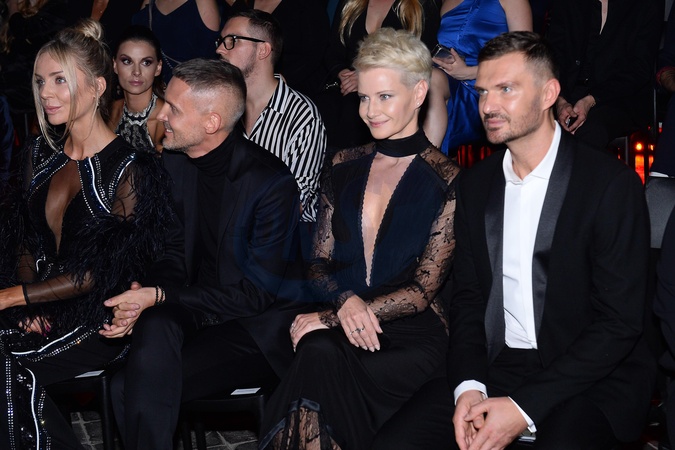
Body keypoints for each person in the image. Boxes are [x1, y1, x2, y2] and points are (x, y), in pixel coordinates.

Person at [448, 31, 655, 450]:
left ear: (549, 94)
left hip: (591, 377)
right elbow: (468, 299)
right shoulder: (475, 185)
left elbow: (620, 322)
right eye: (483, 91)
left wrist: (523, 406)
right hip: (498, 365)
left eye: (506, 89)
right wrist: (469, 387)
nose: (487, 105)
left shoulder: (609, 185)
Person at [259, 28, 460, 449]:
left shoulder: (447, 180)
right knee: (316, 350)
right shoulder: (343, 165)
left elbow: (422, 291)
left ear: (419, 92)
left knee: (317, 351)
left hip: (412, 338)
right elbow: (318, 263)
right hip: (346, 321)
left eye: (384, 96)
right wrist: (344, 304)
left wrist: (335, 317)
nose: (370, 111)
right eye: (365, 98)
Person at [101, 58, 306, 450]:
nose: (161, 114)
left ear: (211, 123)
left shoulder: (270, 184)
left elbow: (255, 296)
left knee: (127, 386)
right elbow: (173, 253)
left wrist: (160, 296)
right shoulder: (176, 163)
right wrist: (143, 296)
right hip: (198, 306)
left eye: (174, 108)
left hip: (255, 327)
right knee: (153, 328)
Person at [0, 19, 170, 449]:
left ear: (97, 88)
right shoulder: (38, 155)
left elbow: (101, 273)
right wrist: (26, 304)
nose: (46, 93)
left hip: (96, 319)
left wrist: (15, 297)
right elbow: (24, 238)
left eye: (60, 80)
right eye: (40, 81)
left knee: (6, 366)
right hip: (34, 306)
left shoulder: (131, 169)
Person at [216, 9, 326, 256]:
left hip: (283, 249)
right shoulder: (221, 108)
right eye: (221, 41)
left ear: (263, 50)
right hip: (227, 239)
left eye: (232, 40)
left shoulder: (301, 115)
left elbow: (293, 205)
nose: (220, 49)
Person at [322, 0, 441, 149]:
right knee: (325, 108)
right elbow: (332, 52)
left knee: (352, 111)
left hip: (396, 89)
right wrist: (342, 73)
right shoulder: (350, 2)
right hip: (344, 87)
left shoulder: (421, 5)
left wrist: (365, 78)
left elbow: (422, 60)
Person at [548, 0, 663, 150]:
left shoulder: (646, 5)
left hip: (619, 98)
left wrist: (591, 99)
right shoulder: (569, 4)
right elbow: (552, 55)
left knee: (590, 131)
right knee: (535, 126)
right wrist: (560, 99)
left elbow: (639, 69)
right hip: (567, 93)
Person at [433, 0, 532, 158]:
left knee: (432, 81)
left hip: (484, 88)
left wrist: (470, 72)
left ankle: (425, 163)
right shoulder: (445, 2)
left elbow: (524, 59)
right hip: (445, 81)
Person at [245, 0, 331, 101]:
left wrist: (280, 79)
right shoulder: (244, 4)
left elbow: (315, 54)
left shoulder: (308, 6)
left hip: (295, 86)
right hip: (247, 81)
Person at [132, 0, 220, 83]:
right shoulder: (150, 4)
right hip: (147, 84)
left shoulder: (203, 4)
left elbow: (209, 45)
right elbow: (137, 41)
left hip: (191, 87)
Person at [108, 25, 165, 153]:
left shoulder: (165, 121)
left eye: (146, 62)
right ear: (115, 65)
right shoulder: (110, 110)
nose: (136, 72)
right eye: (127, 61)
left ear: (158, 68)